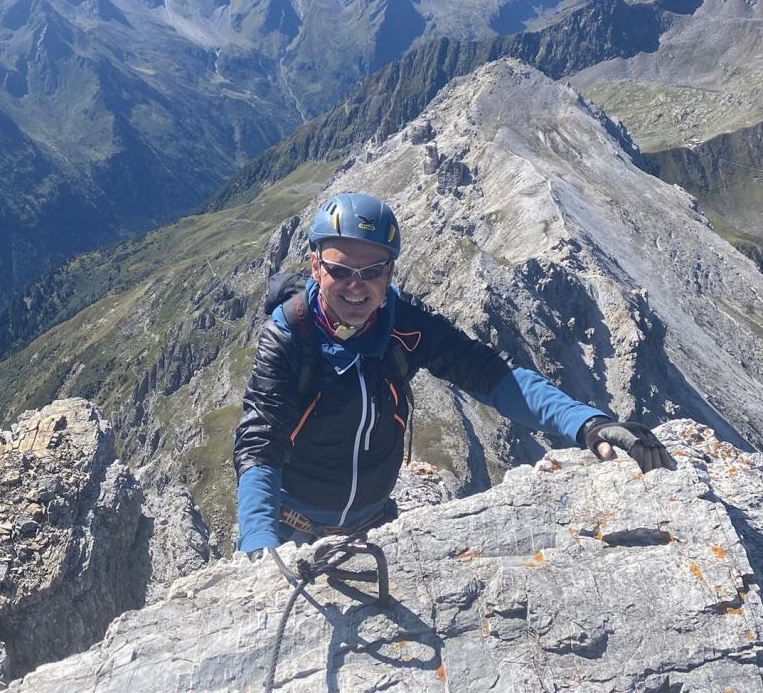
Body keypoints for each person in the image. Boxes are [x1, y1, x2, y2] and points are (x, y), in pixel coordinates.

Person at [233, 192, 676, 555]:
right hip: (291, 528)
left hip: (374, 524)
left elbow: (488, 373)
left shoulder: (402, 322)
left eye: (372, 271)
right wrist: (258, 544)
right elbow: (260, 442)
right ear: (316, 267)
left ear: (390, 272)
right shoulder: (291, 335)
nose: (357, 284)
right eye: (341, 270)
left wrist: (586, 423)